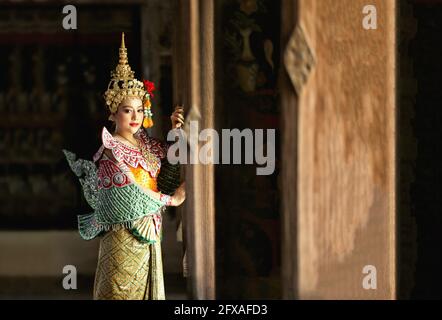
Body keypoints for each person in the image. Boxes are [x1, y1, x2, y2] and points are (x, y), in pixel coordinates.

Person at [63, 33, 185, 300]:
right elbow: (127, 197)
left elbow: (166, 174)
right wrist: (171, 200)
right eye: (127, 110)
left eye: (140, 110)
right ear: (113, 112)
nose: (135, 117)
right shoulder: (111, 149)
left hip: (149, 235)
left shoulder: (147, 145)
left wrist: (176, 132)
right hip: (121, 239)